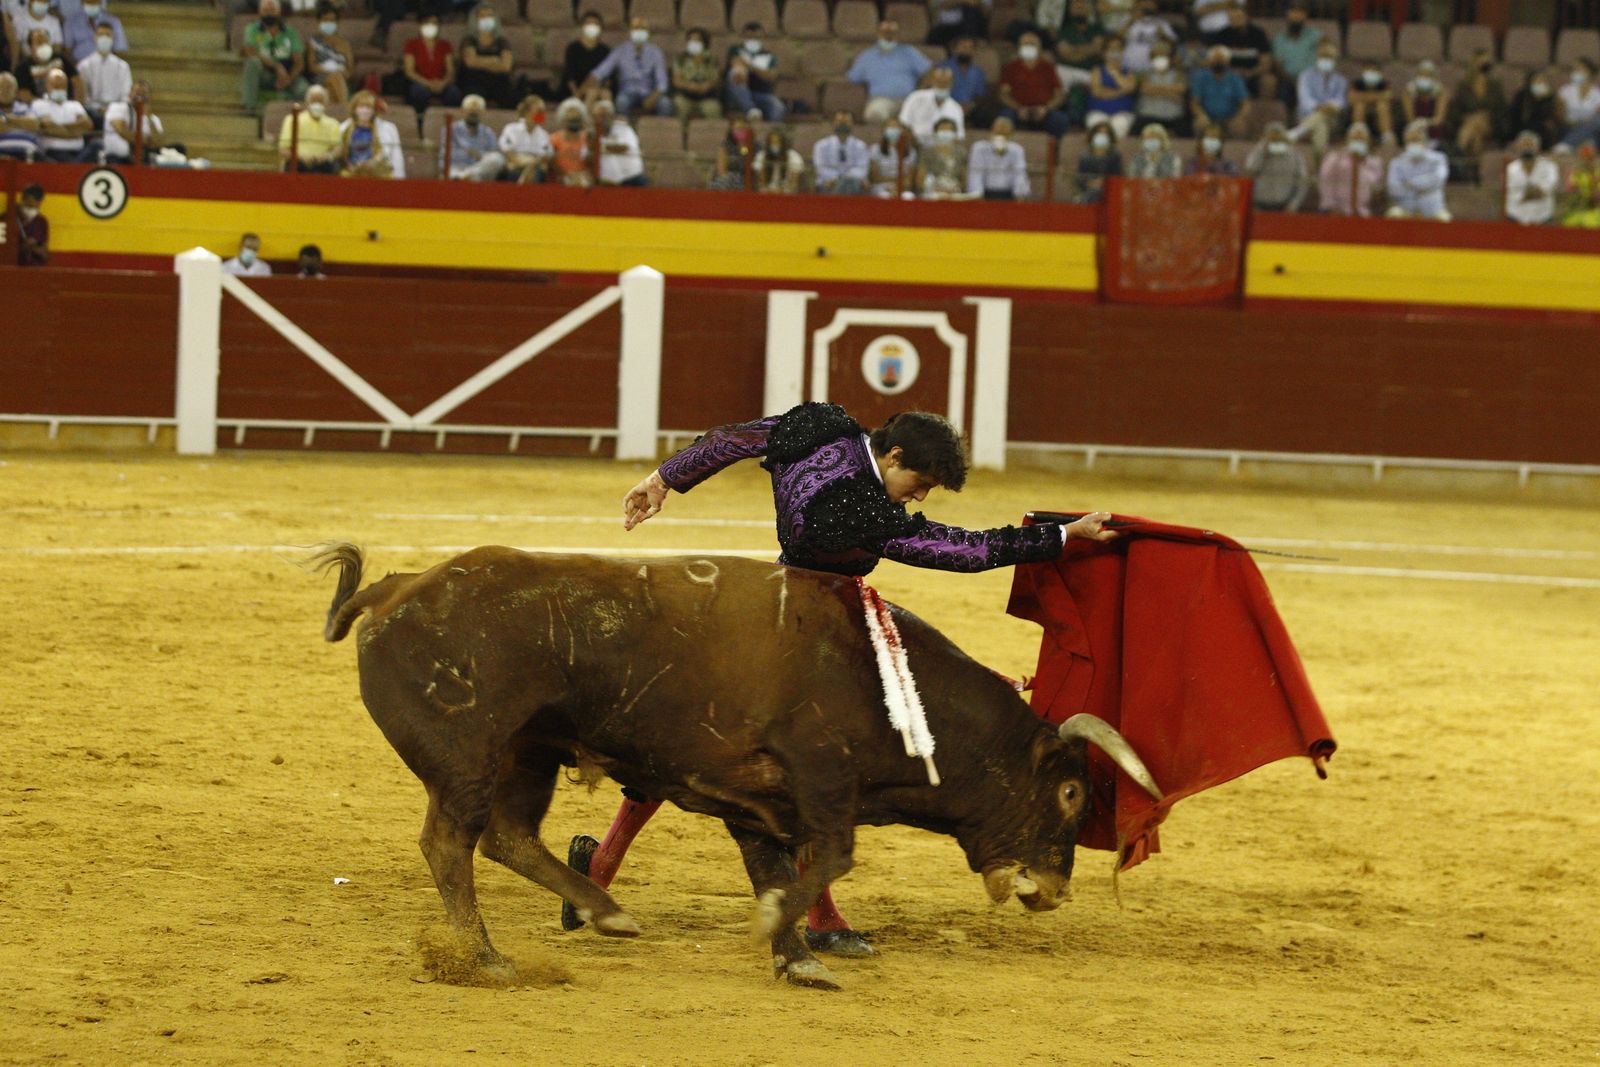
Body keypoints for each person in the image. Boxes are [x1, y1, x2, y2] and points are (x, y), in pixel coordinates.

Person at [566, 403, 1121, 958]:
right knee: (816, 757)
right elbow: (957, 550)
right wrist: (1060, 538)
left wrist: (663, 479)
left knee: (697, 738)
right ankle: (820, 916)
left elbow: (734, 439)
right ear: (893, 455)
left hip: (784, 602)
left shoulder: (821, 425)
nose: (919, 497)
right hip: (820, 631)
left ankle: (601, 865)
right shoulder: (865, 512)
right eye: (919, 483)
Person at [848, 19, 932, 123]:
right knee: (874, 114)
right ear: (877, 33)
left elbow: (929, 72)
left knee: (925, 115)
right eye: (885, 32)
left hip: (908, 100)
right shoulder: (867, 56)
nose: (888, 35)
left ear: (898, 34)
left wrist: (919, 93)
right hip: (881, 100)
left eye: (892, 32)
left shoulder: (909, 52)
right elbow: (853, 77)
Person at [586, 15, 670, 118]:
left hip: (649, 92)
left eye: (642, 28)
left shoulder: (656, 52)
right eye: (635, 28)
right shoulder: (621, 50)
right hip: (627, 93)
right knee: (621, 102)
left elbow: (662, 83)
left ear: (648, 32)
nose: (639, 31)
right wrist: (591, 83)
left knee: (665, 104)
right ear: (630, 31)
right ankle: (623, 131)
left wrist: (654, 96)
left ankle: (659, 132)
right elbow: (601, 72)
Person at [1000, 30, 1070, 138]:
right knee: (1005, 118)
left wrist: (1046, 108)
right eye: (1025, 44)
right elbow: (1004, 94)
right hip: (1018, 110)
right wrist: (1018, 108)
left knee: (1060, 119)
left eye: (1032, 44)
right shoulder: (1011, 68)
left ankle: (1053, 152)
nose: (1028, 47)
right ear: (1019, 47)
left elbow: (1059, 94)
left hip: (1043, 110)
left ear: (1039, 48)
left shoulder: (1048, 68)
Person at [239, 0, 306, 113]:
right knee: (252, 63)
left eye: (272, 10)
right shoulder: (252, 29)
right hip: (265, 74)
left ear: (279, 12)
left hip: (288, 74)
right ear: (259, 12)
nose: (269, 14)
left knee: (304, 90)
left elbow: (299, 62)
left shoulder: (291, 32)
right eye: (265, 10)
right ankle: (249, 108)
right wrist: (276, 66)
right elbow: (249, 51)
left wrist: (288, 79)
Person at [1444, 50, 1506, 161]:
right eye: (1481, 61)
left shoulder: (1495, 86)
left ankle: (1458, 155)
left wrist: (1486, 116)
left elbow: (1501, 109)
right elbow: (1455, 109)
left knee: (1475, 123)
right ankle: (1475, 167)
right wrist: (1468, 117)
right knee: (1476, 135)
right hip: (1469, 122)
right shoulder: (1464, 86)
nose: (1484, 64)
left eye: (1486, 61)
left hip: (1492, 123)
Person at [1385, 119, 1450, 220]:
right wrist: (1424, 187)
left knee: (1444, 218)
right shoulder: (1397, 162)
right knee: (1394, 214)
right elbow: (1393, 188)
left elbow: (1438, 179)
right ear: (1405, 143)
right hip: (1406, 210)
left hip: (1433, 210)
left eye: (1417, 140)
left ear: (1425, 141)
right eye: (1411, 141)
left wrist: (1410, 183)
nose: (1413, 144)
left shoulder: (1438, 159)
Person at [1291, 40, 1347, 157]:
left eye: (1329, 57)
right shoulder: (1305, 76)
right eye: (1323, 56)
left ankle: (1298, 132)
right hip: (1307, 116)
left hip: (1333, 119)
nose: (1326, 59)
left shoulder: (1341, 80)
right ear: (1317, 57)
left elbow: (1341, 101)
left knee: (1324, 119)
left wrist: (1332, 106)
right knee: (1321, 126)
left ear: (1335, 59)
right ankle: (1320, 166)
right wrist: (1319, 107)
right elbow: (1304, 99)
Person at [1317, 121, 1383, 216]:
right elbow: (1325, 181)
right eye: (1355, 138)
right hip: (1334, 209)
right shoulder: (1335, 158)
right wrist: (1331, 205)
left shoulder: (1374, 162)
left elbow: (1375, 186)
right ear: (1347, 140)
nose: (1358, 141)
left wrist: (1361, 163)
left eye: (1361, 139)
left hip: (1362, 211)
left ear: (1368, 141)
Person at [457, 4, 515, 110]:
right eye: (482, 16)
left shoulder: (502, 42)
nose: (486, 19)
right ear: (475, 19)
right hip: (474, 82)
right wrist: (494, 61)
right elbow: (471, 62)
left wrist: (480, 62)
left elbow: (506, 66)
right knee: (473, 97)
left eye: (489, 16)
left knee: (511, 96)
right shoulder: (469, 40)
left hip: (498, 83)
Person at [724, 21, 784, 123]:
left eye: (756, 38)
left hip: (760, 95)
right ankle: (751, 110)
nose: (752, 40)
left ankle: (770, 133)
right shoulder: (736, 50)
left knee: (777, 106)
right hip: (737, 94)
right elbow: (737, 67)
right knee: (735, 73)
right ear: (743, 37)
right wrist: (759, 71)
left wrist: (750, 66)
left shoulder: (769, 56)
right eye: (749, 37)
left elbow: (771, 76)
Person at [402, 14, 460, 115]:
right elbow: (409, 71)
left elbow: (450, 71)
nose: (431, 26)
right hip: (420, 83)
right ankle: (420, 123)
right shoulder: (411, 44)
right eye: (427, 23)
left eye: (434, 23)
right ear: (420, 26)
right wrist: (428, 83)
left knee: (453, 93)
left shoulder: (445, 45)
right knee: (419, 92)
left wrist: (443, 83)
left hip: (441, 83)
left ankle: (449, 123)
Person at [277, 84, 341, 173]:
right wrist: (301, 157)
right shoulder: (291, 119)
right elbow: (282, 149)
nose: (317, 104)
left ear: (326, 103)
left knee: (333, 166)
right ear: (307, 102)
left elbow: (337, 149)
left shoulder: (333, 123)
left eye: (320, 101)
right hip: (298, 162)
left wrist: (327, 156)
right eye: (313, 101)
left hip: (323, 164)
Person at [339, 89, 404, 178]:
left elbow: (396, 158)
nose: (365, 110)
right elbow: (341, 154)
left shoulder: (388, 128)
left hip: (379, 174)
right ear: (354, 109)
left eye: (369, 107)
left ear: (374, 110)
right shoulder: (344, 128)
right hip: (351, 173)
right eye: (361, 106)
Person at [1246, 122, 1307, 212]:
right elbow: (1250, 171)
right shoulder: (1258, 152)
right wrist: (1263, 150)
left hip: (1284, 206)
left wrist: (1293, 205)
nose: (1276, 140)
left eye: (1279, 138)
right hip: (1259, 205)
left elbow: (1302, 182)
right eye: (1272, 138)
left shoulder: (1295, 156)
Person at [103, 79, 168, 164]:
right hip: (118, 158)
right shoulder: (117, 108)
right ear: (130, 93)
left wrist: (148, 118)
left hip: (144, 157)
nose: (140, 96)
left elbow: (158, 142)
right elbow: (122, 131)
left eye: (144, 93)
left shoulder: (153, 118)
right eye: (137, 92)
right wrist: (146, 142)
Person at [30, 67, 89, 160]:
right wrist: (75, 132)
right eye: (56, 86)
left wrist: (59, 129)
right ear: (47, 86)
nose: (59, 89)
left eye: (62, 86)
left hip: (78, 152)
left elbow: (86, 125)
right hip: (52, 153)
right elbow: (49, 127)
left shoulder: (75, 105)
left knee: (97, 145)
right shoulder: (39, 104)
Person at [442, 93, 505, 181]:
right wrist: (471, 154)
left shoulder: (488, 132)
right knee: (454, 172)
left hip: (479, 170)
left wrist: (478, 154)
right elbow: (446, 155)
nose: (473, 114)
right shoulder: (451, 129)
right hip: (456, 168)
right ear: (462, 111)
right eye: (470, 112)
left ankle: (467, 175)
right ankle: (466, 176)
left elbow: (494, 155)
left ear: (483, 113)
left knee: (498, 159)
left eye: (476, 112)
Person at [1189, 44, 1247, 139]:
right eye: (1215, 59)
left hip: (1229, 118)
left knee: (1239, 127)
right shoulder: (1200, 78)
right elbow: (1194, 102)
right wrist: (1201, 115)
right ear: (1210, 61)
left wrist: (1240, 117)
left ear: (1227, 61)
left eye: (1221, 59)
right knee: (1199, 124)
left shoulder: (1235, 79)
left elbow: (1245, 103)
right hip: (1208, 117)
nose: (1218, 62)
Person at [1085, 33, 1136, 139]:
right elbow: (1097, 92)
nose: (1114, 52)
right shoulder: (1097, 70)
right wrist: (1120, 92)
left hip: (1122, 113)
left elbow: (1129, 87)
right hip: (1098, 111)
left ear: (1123, 51)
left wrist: (1114, 73)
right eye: (1111, 48)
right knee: (1097, 126)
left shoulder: (1129, 72)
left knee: (1119, 126)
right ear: (1104, 52)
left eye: (1118, 48)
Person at [966, 115, 1029, 199]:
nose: (1001, 137)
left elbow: (1019, 174)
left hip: (1009, 194)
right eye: (998, 133)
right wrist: (977, 196)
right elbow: (976, 173)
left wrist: (1020, 195)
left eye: (1005, 134)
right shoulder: (979, 148)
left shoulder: (1017, 150)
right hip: (985, 193)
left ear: (1011, 135)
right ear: (991, 132)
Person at [75, 23, 127, 121]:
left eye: (108, 35)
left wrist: (113, 110)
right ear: (95, 37)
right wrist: (98, 109)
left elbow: (125, 95)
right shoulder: (84, 65)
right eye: (101, 34)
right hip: (92, 113)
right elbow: (83, 96)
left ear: (113, 38)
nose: (104, 38)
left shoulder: (122, 66)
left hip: (117, 113)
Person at [1504, 130, 1558, 225]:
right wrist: (1531, 193)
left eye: (1530, 145)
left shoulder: (1550, 167)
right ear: (1518, 148)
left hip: (1543, 217)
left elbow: (1547, 189)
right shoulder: (1511, 169)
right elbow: (1513, 193)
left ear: (1537, 148)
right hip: (1516, 217)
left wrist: (1529, 194)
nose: (1527, 149)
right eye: (1524, 146)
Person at [899, 65, 964, 144]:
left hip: (940, 150)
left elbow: (959, 137)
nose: (942, 86)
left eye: (945, 83)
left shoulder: (956, 108)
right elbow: (903, 124)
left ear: (952, 84)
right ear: (932, 81)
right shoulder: (915, 98)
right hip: (914, 145)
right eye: (939, 82)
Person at [1135, 39, 1186, 135]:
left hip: (1173, 116)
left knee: (1183, 129)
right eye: (1157, 55)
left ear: (1169, 57)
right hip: (1148, 115)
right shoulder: (1145, 74)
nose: (1160, 58)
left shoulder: (1178, 74)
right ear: (1152, 57)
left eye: (1163, 55)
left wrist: (1154, 89)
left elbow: (1181, 89)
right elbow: (1145, 89)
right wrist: (1170, 92)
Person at [813, 109, 869, 195]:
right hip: (828, 183)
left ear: (852, 124)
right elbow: (821, 168)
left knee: (851, 183)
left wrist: (843, 179)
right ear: (833, 123)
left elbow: (862, 169)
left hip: (853, 183)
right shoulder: (821, 145)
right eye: (839, 121)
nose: (843, 124)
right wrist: (837, 178)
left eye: (846, 121)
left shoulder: (860, 146)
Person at [671, 26, 721, 121]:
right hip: (685, 95)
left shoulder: (712, 59)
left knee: (713, 109)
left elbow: (715, 80)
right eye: (691, 40)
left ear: (704, 43)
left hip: (706, 97)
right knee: (679, 104)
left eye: (697, 40)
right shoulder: (681, 59)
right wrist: (691, 86)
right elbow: (677, 80)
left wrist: (705, 86)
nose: (693, 43)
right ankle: (680, 134)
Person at [498, 93, 551, 183]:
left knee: (537, 173)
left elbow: (544, 159)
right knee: (512, 171)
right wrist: (523, 163)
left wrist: (532, 165)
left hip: (535, 167)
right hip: (516, 165)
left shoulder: (544, 134)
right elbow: (509, 154)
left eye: (543, 111)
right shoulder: (511, 129)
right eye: (539, 111)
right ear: (527, 112)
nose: (541, 114)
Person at [306, 4, 353, 104]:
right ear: (319, 22)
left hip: (342, 79)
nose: (329, 23)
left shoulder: (344, 44)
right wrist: (330, 70)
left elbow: (350, 69)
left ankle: (340, 111)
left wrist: (344, 73)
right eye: (325, 20)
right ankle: (345, 110)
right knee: (334, 77)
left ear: (337, 22)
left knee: (331, 90)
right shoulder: (313, 42)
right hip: (320, 76)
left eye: (332, 20)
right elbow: (312, 66)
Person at [593, 97, 646, 186]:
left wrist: (602, 148)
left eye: (604, 116)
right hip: (605, 181)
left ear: (612, 116)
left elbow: (625, 147)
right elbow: (586, 154)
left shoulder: (624, 128)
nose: (601, 119)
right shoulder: (591, 134)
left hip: (632, 176)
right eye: (598, 116)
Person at [19, 29, 81, 103]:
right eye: (39, 42)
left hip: (66, 103)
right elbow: (24, 94)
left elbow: (77, 81)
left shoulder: (60, 59)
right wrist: (45, 106)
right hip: (39, 108)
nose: (43, 45)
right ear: (30, 46)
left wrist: (77, 104)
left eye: (46, 41)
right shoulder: (24, 67)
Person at [937, 36, 987, 126]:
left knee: (984, 115)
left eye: (970, 48)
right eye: (963, 47)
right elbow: (936, 91)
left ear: (974, 51)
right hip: (947, 105)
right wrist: (956, 106)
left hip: (969, 108)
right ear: (954, 50)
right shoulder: (943, 67)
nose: (966, 51)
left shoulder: (978, 72)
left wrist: (972, 105)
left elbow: (980, 96)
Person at [1346, 59, 1395, 147]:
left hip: (1377, 110)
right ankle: (1358, 135)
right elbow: (1351, 98)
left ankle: (1386, 136)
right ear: (1363, 72)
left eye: (1374, 70)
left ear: (1380, 73)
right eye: (1368, 70)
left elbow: (1388, 97)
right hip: (1361, 109)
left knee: (1382, 106)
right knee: (1359, 106)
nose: (1371, 73)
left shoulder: (1384, 83)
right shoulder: (1357, 83)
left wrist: (1363, 97)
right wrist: (1376, 97)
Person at [917, 115, 970, 199]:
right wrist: (934, 189)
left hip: (955, 192)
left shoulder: (961, 153)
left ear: (955, 133)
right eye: (942, 130)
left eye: (948, 130)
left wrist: (956, 188)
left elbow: (964, 179)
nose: (945, 132)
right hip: (933, 192)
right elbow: (920, 178)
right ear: (936, 133)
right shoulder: (927, 152)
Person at [562, 11, 610, 102]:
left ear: (600, 28)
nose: (592, 27)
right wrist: (577, 95)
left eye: (595, 24)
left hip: (596, 91)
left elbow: (607, 78)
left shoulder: (605, 51)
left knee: (600, 94)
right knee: (591, 93)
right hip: (574, 92)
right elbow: (570, 77)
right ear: (582, 27)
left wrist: (601, 90)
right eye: (588, 23)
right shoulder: (573, 49)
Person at [1509, 69, 1562, 151]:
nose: (1540, 83)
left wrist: (1543, 100)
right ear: (1530, 83)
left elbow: (1549, 121)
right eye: (1537, 81)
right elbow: (1515, 119)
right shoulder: (1521, 96)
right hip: (1521, 131)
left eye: (1543, 81)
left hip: (1541, 134)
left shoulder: (1550, 99)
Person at [63, 0, 127, 64]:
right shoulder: (71, 21)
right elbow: (67, 49)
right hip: (78, 65)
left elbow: (119, 50)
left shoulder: (113, 21)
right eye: (89, 2)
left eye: (94, 2)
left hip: (106, 65)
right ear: (82, 2)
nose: (92, 5)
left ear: (100, 2)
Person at [1119, 0, 1174, 73]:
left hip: (1153, 67)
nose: (1147, 7)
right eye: (1144, 5)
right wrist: (1132, 20)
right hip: (1130, 65)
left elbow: (1173, 42)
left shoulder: (1162, 23)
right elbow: (1116, 38)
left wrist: (1163, 35)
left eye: (1150, 5)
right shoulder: (1128, 21)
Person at [547, 97, 592, 187]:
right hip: (560, 177)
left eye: (576, 120)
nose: (573, 123)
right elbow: (550, 160)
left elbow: (591, 161)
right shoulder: (553, 138)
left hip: (583, 177)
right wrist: (565, 174)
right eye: (571, 120)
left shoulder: (587, 138)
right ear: (563, 119)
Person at [868, 116, 917, 197]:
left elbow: (909, 180)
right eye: (890, 127)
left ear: (902, 131)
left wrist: (898, 187)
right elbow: (875, 178)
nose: (893, 129)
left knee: (909, 197)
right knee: (885, 196)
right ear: (884, 130)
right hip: (881, 187)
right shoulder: (875, 149)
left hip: (903, 188)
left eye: (896, 127)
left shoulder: (911, 152)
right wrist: (892, 184)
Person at [1075, 119, 1122, 202]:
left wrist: (1104, 182)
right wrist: (1089, 183)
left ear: (1110, 137)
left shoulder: (1115, 156)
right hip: (1088, 190)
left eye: (1105, 134)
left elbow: (1119, 176)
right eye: (1099, 133)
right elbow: (1079, 177)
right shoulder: (1085, 157)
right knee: (1092, 194)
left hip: (1110, 191)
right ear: (1093, 136)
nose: (1102, 136)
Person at [1270, 3, 1319, 81]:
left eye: (1300, 12)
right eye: (1293, 11)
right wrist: (1293, 81)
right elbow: (1278, 66)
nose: (1297, 16)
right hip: (1287, 80)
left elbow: (1324, 59)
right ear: (1286, 14)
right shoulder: (1279, 40)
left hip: (1313, 79)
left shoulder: (1316, 37)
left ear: (1305, 16)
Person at [1559, 59, 1600, 150]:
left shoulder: (1597, 93)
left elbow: (1596, 117)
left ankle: (1566, 145)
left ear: (1590, 73)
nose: (1576, 72)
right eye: (1575, 70)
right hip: (1570, 127)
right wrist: (1572, 123)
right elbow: (1560, 116)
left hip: (1590, 126)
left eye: (1580, 69)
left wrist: (1586, 123)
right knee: (1590, 138)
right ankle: (1570, 144)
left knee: (1597, 123)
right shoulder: (1565, 91)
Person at [0, 73, 43, 159]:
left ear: (16, 92)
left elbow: (34, 125)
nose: (5, 91)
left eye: (9, 87)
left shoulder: (25, 108)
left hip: (29, 154)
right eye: (1, 87)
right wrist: (21, 123)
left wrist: (7, 119)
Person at [708, 111, 753, 190]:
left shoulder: (753, 145)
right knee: (723, 183)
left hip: (746, 179)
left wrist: (742, 144)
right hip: (728, 178)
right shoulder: (726, 145)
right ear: (732, 129)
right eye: (738, 129)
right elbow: (722, 170)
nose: (740, 132)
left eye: (743, 129)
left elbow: (747, 160)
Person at [1403, 59, 1446, 142]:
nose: (1424, 77)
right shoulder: (1408, 91)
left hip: (1434, 129)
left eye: (1428, 75)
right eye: (1422, 74)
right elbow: (1410, 118)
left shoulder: (1441, 91)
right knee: (1413, 133)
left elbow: (1439, 119)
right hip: (1414, 128)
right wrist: (1417, 125)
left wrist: (1424, 122)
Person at [752, 124, 803, 193]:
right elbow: (761, 181)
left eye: (777, 142)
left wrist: (783, 191)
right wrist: (769, 190)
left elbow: (793, 182)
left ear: (783, 143)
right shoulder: (761, 156)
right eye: (772, 142)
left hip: (787, 193)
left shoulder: (794, 156)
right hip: (767, 192)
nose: (774, 145)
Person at [1559, 142, 1600, 226]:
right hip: (1577, 210)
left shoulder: (1598, 173)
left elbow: (1596, 197)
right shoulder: (1575, 173)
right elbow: (1570, 193)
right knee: (1568, 222)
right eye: (1584, 158)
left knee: (1591, 222)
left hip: (1595, 211)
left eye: (1590, 158)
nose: (1587, 161)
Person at [14, 183, 47, 266]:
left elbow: (45, 254)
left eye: (40, 200)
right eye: (36, 199)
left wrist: (33, 248)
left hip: (33, 269)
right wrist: (21, 247)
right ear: (26, 198)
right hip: (11, 268)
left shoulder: (41, 221)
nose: (39, 203)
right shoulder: (9, 218)